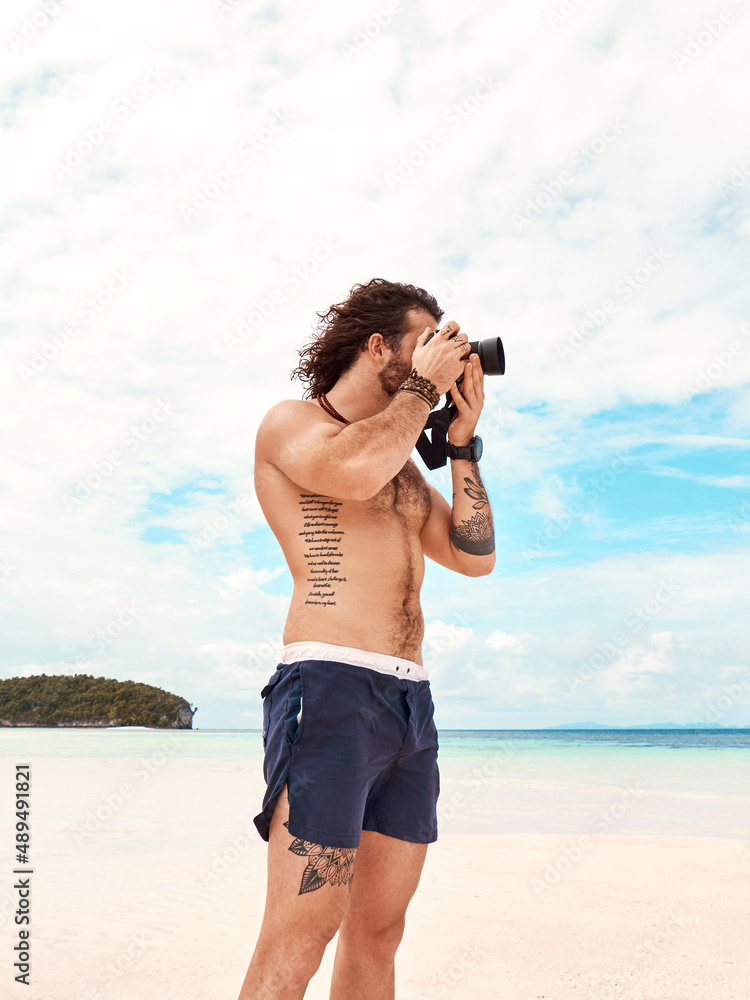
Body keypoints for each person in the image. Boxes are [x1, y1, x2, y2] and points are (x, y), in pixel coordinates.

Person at [237, 278, 496, 999]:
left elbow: (475, 556)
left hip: (409, 706)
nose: (444, 359)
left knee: (379, 934)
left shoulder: (406, 466)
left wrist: (463, 443)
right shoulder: (293, 424)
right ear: (377, 345)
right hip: (329, 692)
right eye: (427, 343)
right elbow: (350, 472)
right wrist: (422, 390)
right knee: (302, 932)